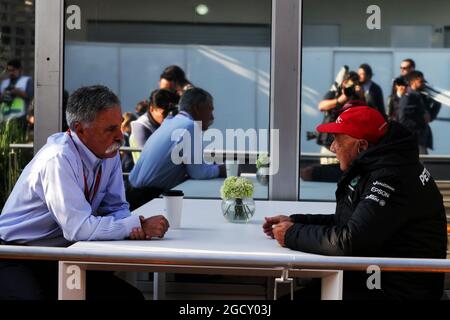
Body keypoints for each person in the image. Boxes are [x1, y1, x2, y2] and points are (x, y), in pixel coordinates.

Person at [0, 85, 169, 300]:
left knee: (130, 298)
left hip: (63, 253)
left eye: (119, 127)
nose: (120, 136)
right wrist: (135, 225)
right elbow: (77, 228)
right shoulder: (58, 158)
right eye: (110, 129)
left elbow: (116, 208)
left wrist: (134, 227)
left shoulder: (109, 153)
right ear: (80, 130)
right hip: (17, 254)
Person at [264, 106, 447, 300]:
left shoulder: (390, 177)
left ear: (361, 147)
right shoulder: (382, 164)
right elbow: (349, 221)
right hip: (373, 280)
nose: (332, 147)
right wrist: (295, 221)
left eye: (337, 140)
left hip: (393, 292)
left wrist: (292, 234)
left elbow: (350, 241)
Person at [127, 87, 226, 210]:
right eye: (210, 110)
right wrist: (222, 170)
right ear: (197, 108)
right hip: (147, 198)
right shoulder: (190, 126)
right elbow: (199, 172)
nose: (212, 117)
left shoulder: (171, 122)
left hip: (134, 194)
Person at [129, 89, 180, 163]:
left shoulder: (169, 121)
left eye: (170, 112)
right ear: (152, 109)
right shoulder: (140, 126)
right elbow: (148, 159)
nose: (168, 116)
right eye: (164, 113)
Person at [399, 71, 441, 154]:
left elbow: (429, 116)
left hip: (421, 139)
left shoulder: (422, 96)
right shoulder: (408, 97)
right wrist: (421, 122)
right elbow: (403, 119)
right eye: (421, 81)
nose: (423, 84)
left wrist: (437, 101)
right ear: (413, 82)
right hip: (413, 140)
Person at [0, 59, 33, 123]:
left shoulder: (27, 80)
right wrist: (3, 95)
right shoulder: (4, 83)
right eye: (9, 70)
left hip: (21, 117)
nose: (11, 73)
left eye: (13, 70)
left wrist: (18, 92)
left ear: (19, 69)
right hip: (5, 117)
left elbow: (31, 97)